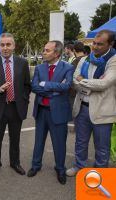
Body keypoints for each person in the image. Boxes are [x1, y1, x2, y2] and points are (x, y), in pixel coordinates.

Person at [66, 30, 116, 176]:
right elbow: (74, 81)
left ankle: (100, 173)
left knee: (102, 146)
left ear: (110, 44)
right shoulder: (85, 59)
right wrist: (88, 83)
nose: (95, 46)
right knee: (80, 142)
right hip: (82, 108)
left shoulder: (113, 61)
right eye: (94, 43)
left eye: (100, 44)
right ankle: (79, 167)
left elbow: (104, 83)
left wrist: (83, 81)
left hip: (102, 111)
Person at [0, 33, 31, 177]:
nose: (5, 48)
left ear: (14, 46)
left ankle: (15, 163)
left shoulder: (22, 63)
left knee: (15, 139)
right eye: (2, 45)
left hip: (16, 108)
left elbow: (27, 85)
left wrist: (23, 100)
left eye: (8, 44)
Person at [28, 40, 74, 185]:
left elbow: (66, 86)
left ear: (57, 53)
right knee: (38, 140)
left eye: (47, 50)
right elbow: (34, 87)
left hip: (58, 112)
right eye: (44, 49)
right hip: (41, 110)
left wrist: (46, 85)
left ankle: (60, 169)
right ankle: (36, 165)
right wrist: (53, 90)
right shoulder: (39, 68)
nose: (44, 52)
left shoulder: (68, 68)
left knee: (59, 143)